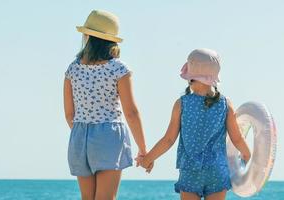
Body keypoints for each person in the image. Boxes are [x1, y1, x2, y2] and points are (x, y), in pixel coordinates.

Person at [138, 48, 251, 200]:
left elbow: (168, 139)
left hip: (191, 171)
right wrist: (247, 153)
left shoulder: (182, 104)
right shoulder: (225, 104)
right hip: (216, 171)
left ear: (190, 77)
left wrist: (148, 158)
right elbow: (236, 138)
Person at [63, 10, 149, 200]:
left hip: (79, 135)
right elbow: (131, 112)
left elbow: (69, 114)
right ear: (112, 41)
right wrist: (143, 150)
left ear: (87, 36)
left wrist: (84, 130)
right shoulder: (118, 69)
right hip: (108, 135)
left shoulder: (73, 69)